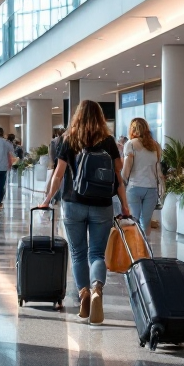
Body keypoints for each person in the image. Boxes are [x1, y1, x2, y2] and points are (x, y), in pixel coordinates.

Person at [42, 100, 130, 325]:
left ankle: (83, 294)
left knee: (79, 253)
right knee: (97, 254)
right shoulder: (108, 141)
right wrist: (125, 205)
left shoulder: (68, 139)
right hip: (102, 204)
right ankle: (97, 288)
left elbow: (59, 174)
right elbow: (118, 175)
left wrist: (47, 199)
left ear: (77, 117)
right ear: (100, 117)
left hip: (73, 203)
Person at [122, 118, 164, 234]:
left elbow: (126, 169)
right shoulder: (155, 146)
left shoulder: (130, 144)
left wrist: (121, 184)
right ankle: (144, 249)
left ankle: (136, 249)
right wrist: (162, 188)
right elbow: (158, 170)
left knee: (135, 221)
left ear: (132, 129)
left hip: (134, 187)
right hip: (151, 189)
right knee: (145, 223)